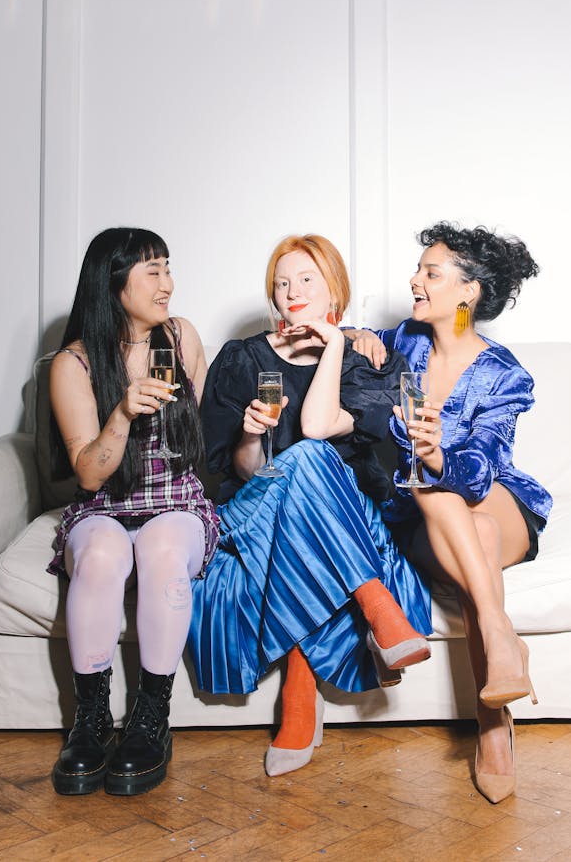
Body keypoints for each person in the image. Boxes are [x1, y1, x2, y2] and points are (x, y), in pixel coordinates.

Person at [188, 234, 432, 777]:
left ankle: (300, 685)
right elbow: (241, 472)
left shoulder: (368, 361)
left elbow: (319, 428)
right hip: (256, 512)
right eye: (282, 282)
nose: (291, 291)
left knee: (311, 456)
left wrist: (337, 345)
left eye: (306, 280)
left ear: (334, 292)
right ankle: (376, 606)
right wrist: (251, 437)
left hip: (343, 520)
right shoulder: (240, 359)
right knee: (297, 461)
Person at [347, 222, 552, 804]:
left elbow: (486, 465)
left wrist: (441, 455)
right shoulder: (404, 343)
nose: (414, 280)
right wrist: (357, 336)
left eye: (430, 273)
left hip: (496, 497)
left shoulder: (503, 373)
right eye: (419, 269)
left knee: (447, 487)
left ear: (468, 293)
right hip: (432, 516)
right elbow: (347, 333)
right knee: (446, 507)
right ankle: (494, 718)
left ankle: (493, 639)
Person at [47, 227, 219, 797]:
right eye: (153, 272)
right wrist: (121, 412)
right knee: (99, 554)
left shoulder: (182, 337)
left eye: (168, 268)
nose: (168, 284)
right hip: (104, 503)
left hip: (175, 500)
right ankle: (91, 721)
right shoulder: (74, 363)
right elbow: (89, 473)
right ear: (114, 283)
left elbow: (197, 440)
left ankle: (150, 719)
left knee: (162, 547)